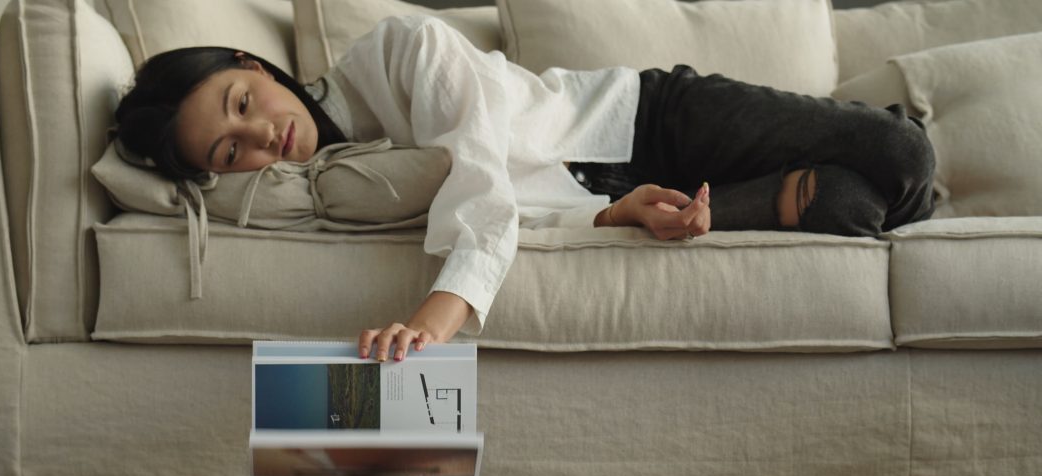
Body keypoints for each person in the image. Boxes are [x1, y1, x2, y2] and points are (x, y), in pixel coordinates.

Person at [114, 15, 936, 363]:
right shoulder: (329, 191)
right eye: (230, 151)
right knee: (852, 206)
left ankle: (862, 175)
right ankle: (779, 203)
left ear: (251, 67)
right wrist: (615, 214)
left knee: (899, 153)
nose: (262, 136)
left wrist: (437, 318)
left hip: (647, 119)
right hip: (609, 200)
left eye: (243, 103)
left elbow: (482, 172)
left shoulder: (403, 50)